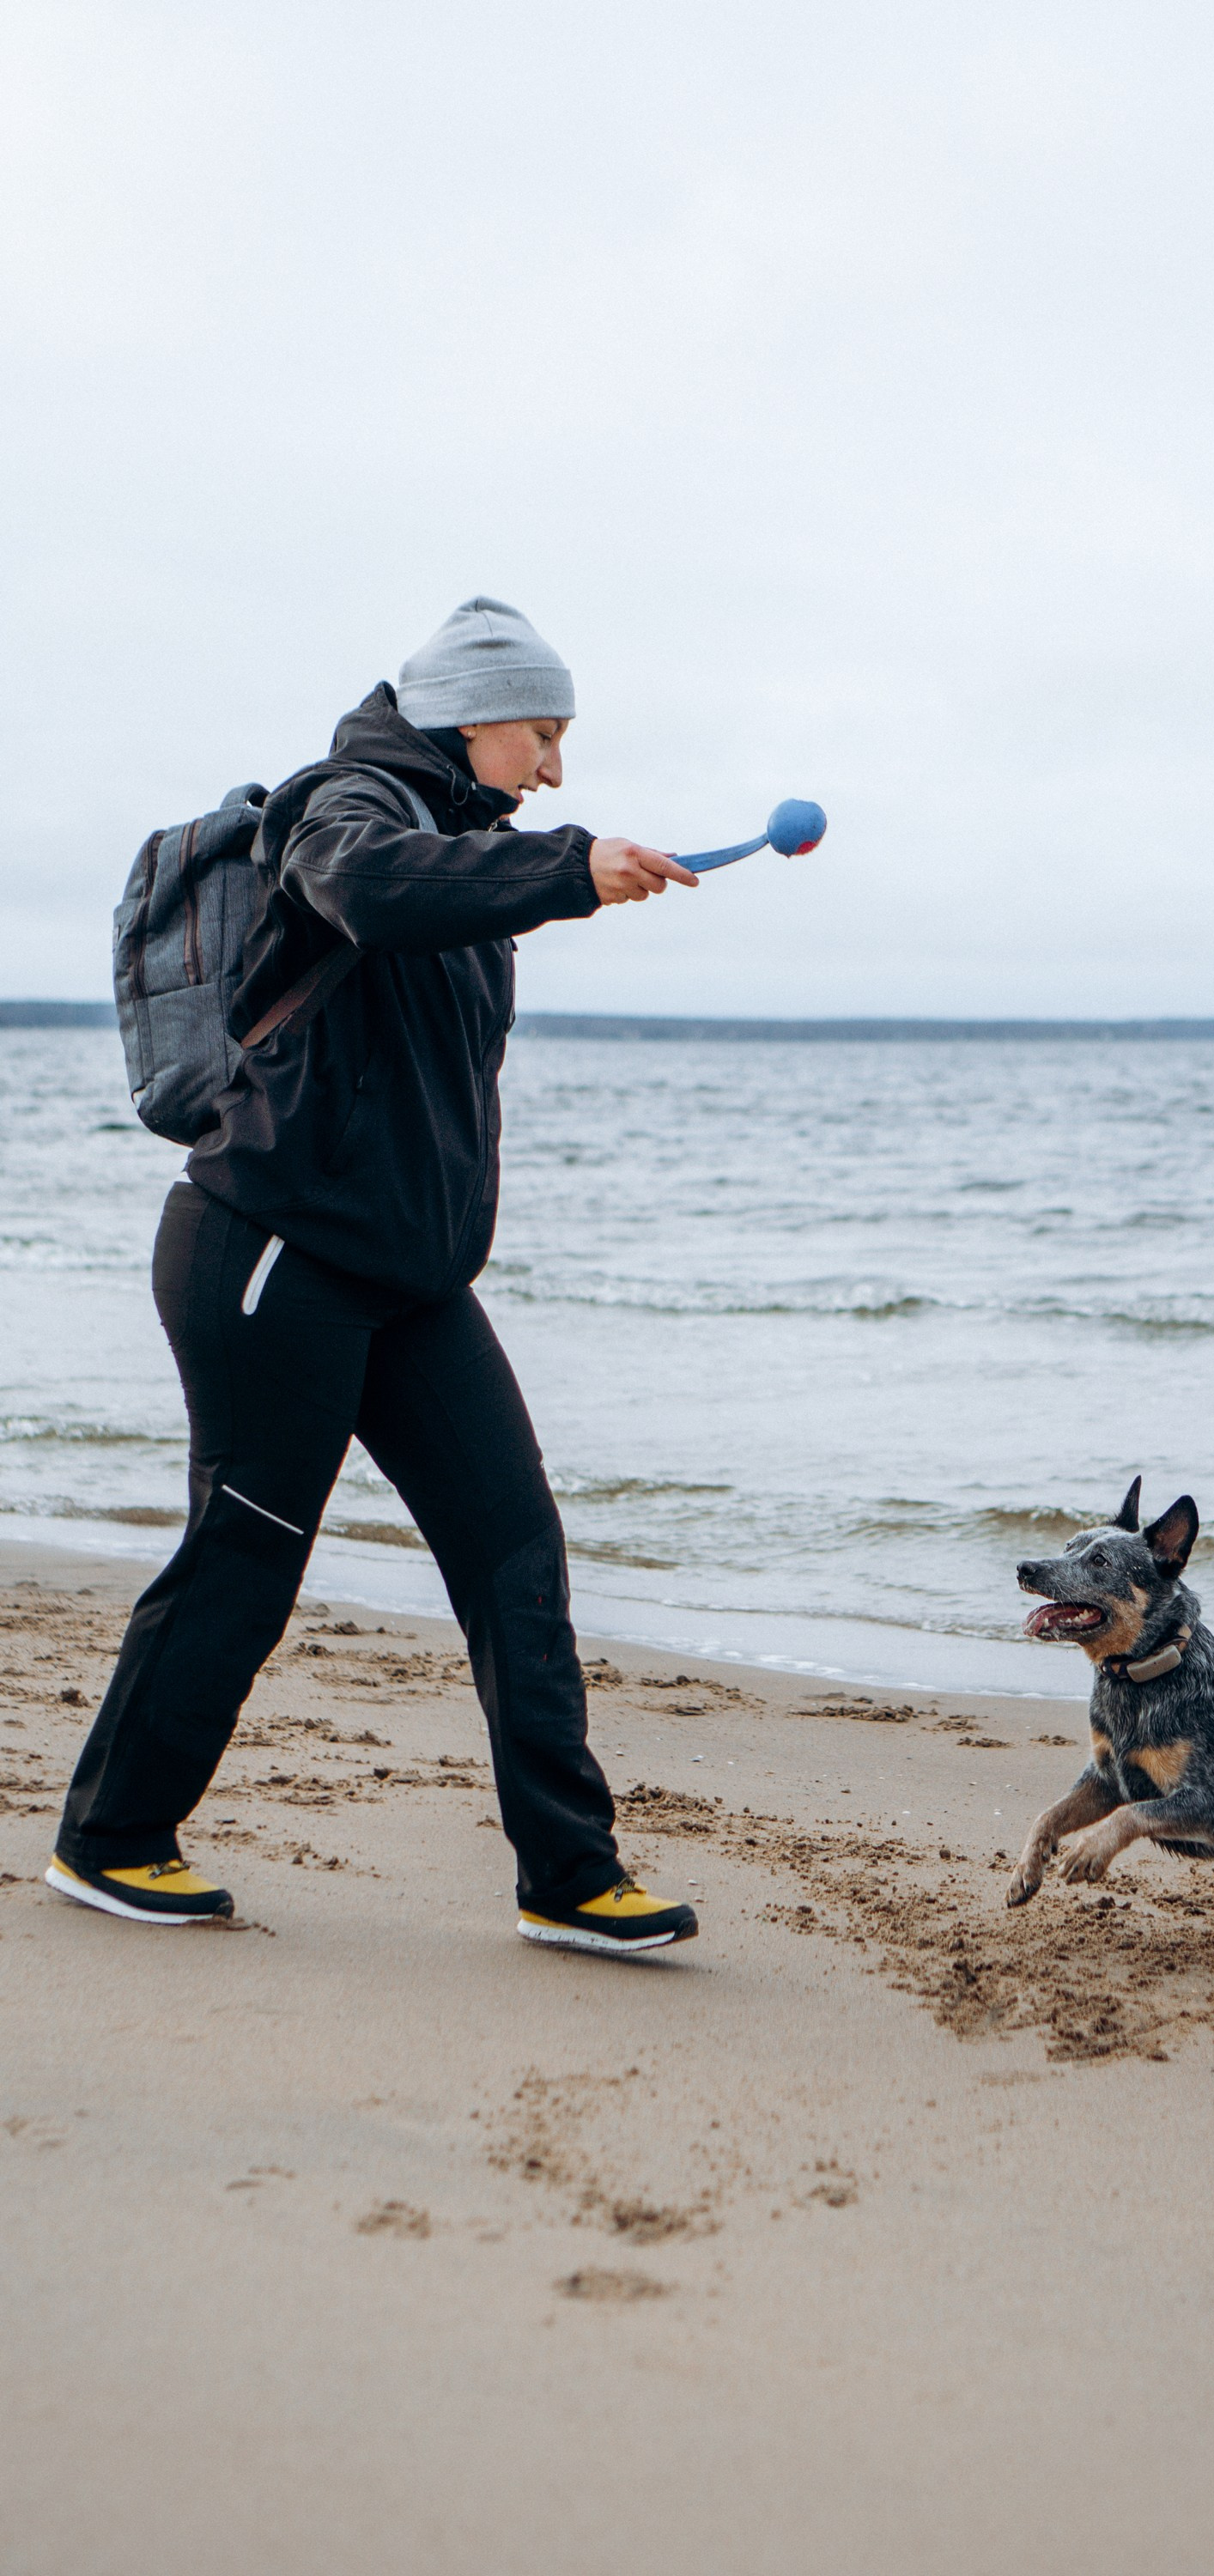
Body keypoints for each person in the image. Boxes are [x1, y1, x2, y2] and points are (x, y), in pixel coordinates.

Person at [50, 597, 702, 1955]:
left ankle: (569, 1875)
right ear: (473, 716)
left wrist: (547, 869)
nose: (557, 771)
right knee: (251, 1549)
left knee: (516, 1550)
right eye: (544, 735)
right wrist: (570, 869)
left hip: (409, 1277)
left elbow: (439, 943)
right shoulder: (339, 806)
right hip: (270, 1250)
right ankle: (110, 1840)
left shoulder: (472, 842)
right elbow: (372, 889)